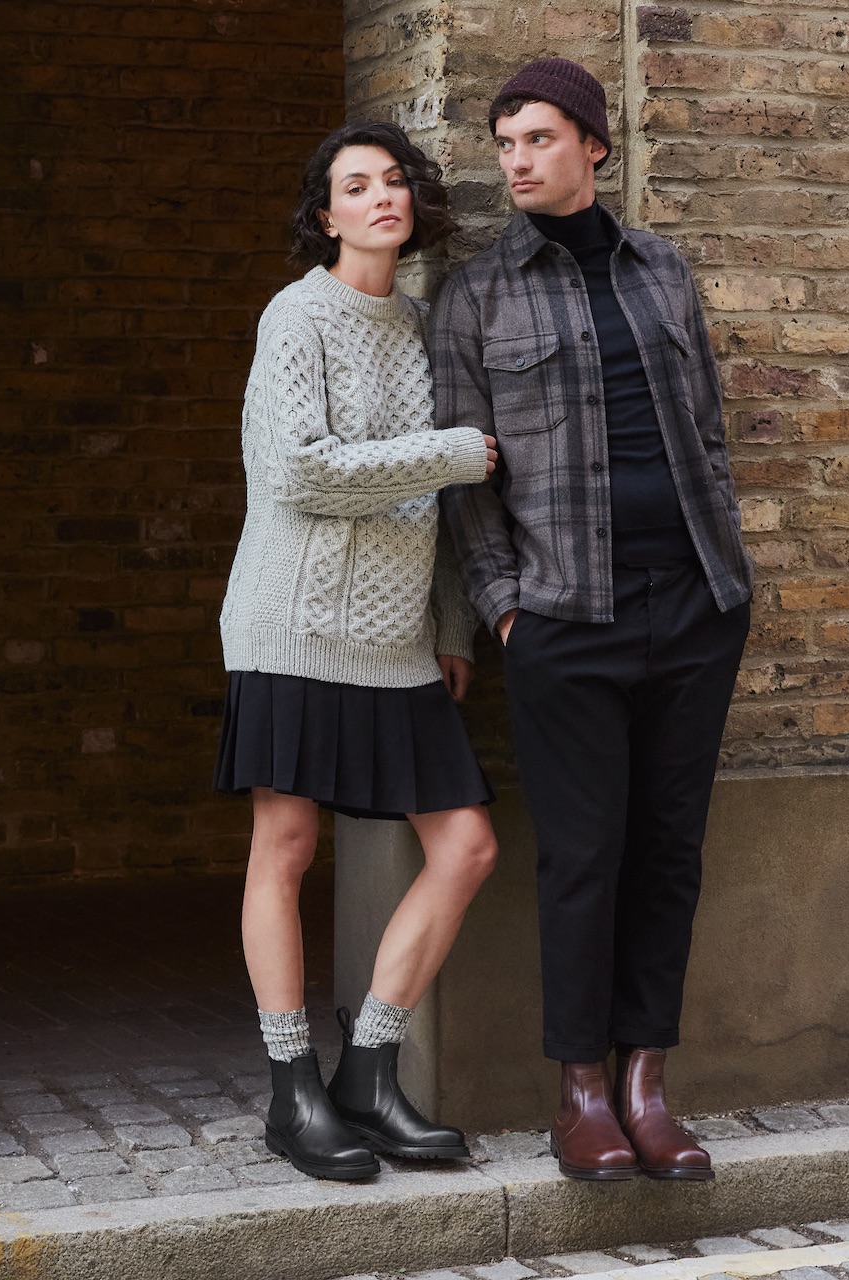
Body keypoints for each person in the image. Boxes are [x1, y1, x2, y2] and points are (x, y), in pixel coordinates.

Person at [433, 59, 755, 1183]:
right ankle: (578, 1091)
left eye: (537, 139)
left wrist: (731, 573)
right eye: (505, 143)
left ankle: (646, 1081)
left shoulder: (664, 271)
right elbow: (466, 480)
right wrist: (504, 609)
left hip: (696, 604)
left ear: (594, 147)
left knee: (668, 850)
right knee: (583, 854)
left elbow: (708, 429)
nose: (517, 161)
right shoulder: (476, 295)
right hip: (564, 615)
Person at [213, 120, 502, 1181]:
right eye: (355, 186)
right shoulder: (295, 317)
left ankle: (369, 1071)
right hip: (290, 621)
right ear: (325, 215)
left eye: (394, 182)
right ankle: (293, 1089)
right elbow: (305, 473)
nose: (381, 197)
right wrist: (460, 451)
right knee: (285, 845)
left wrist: (450, 627)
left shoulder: (428, 328)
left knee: (466, 844)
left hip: (394, 638)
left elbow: (426, 507)